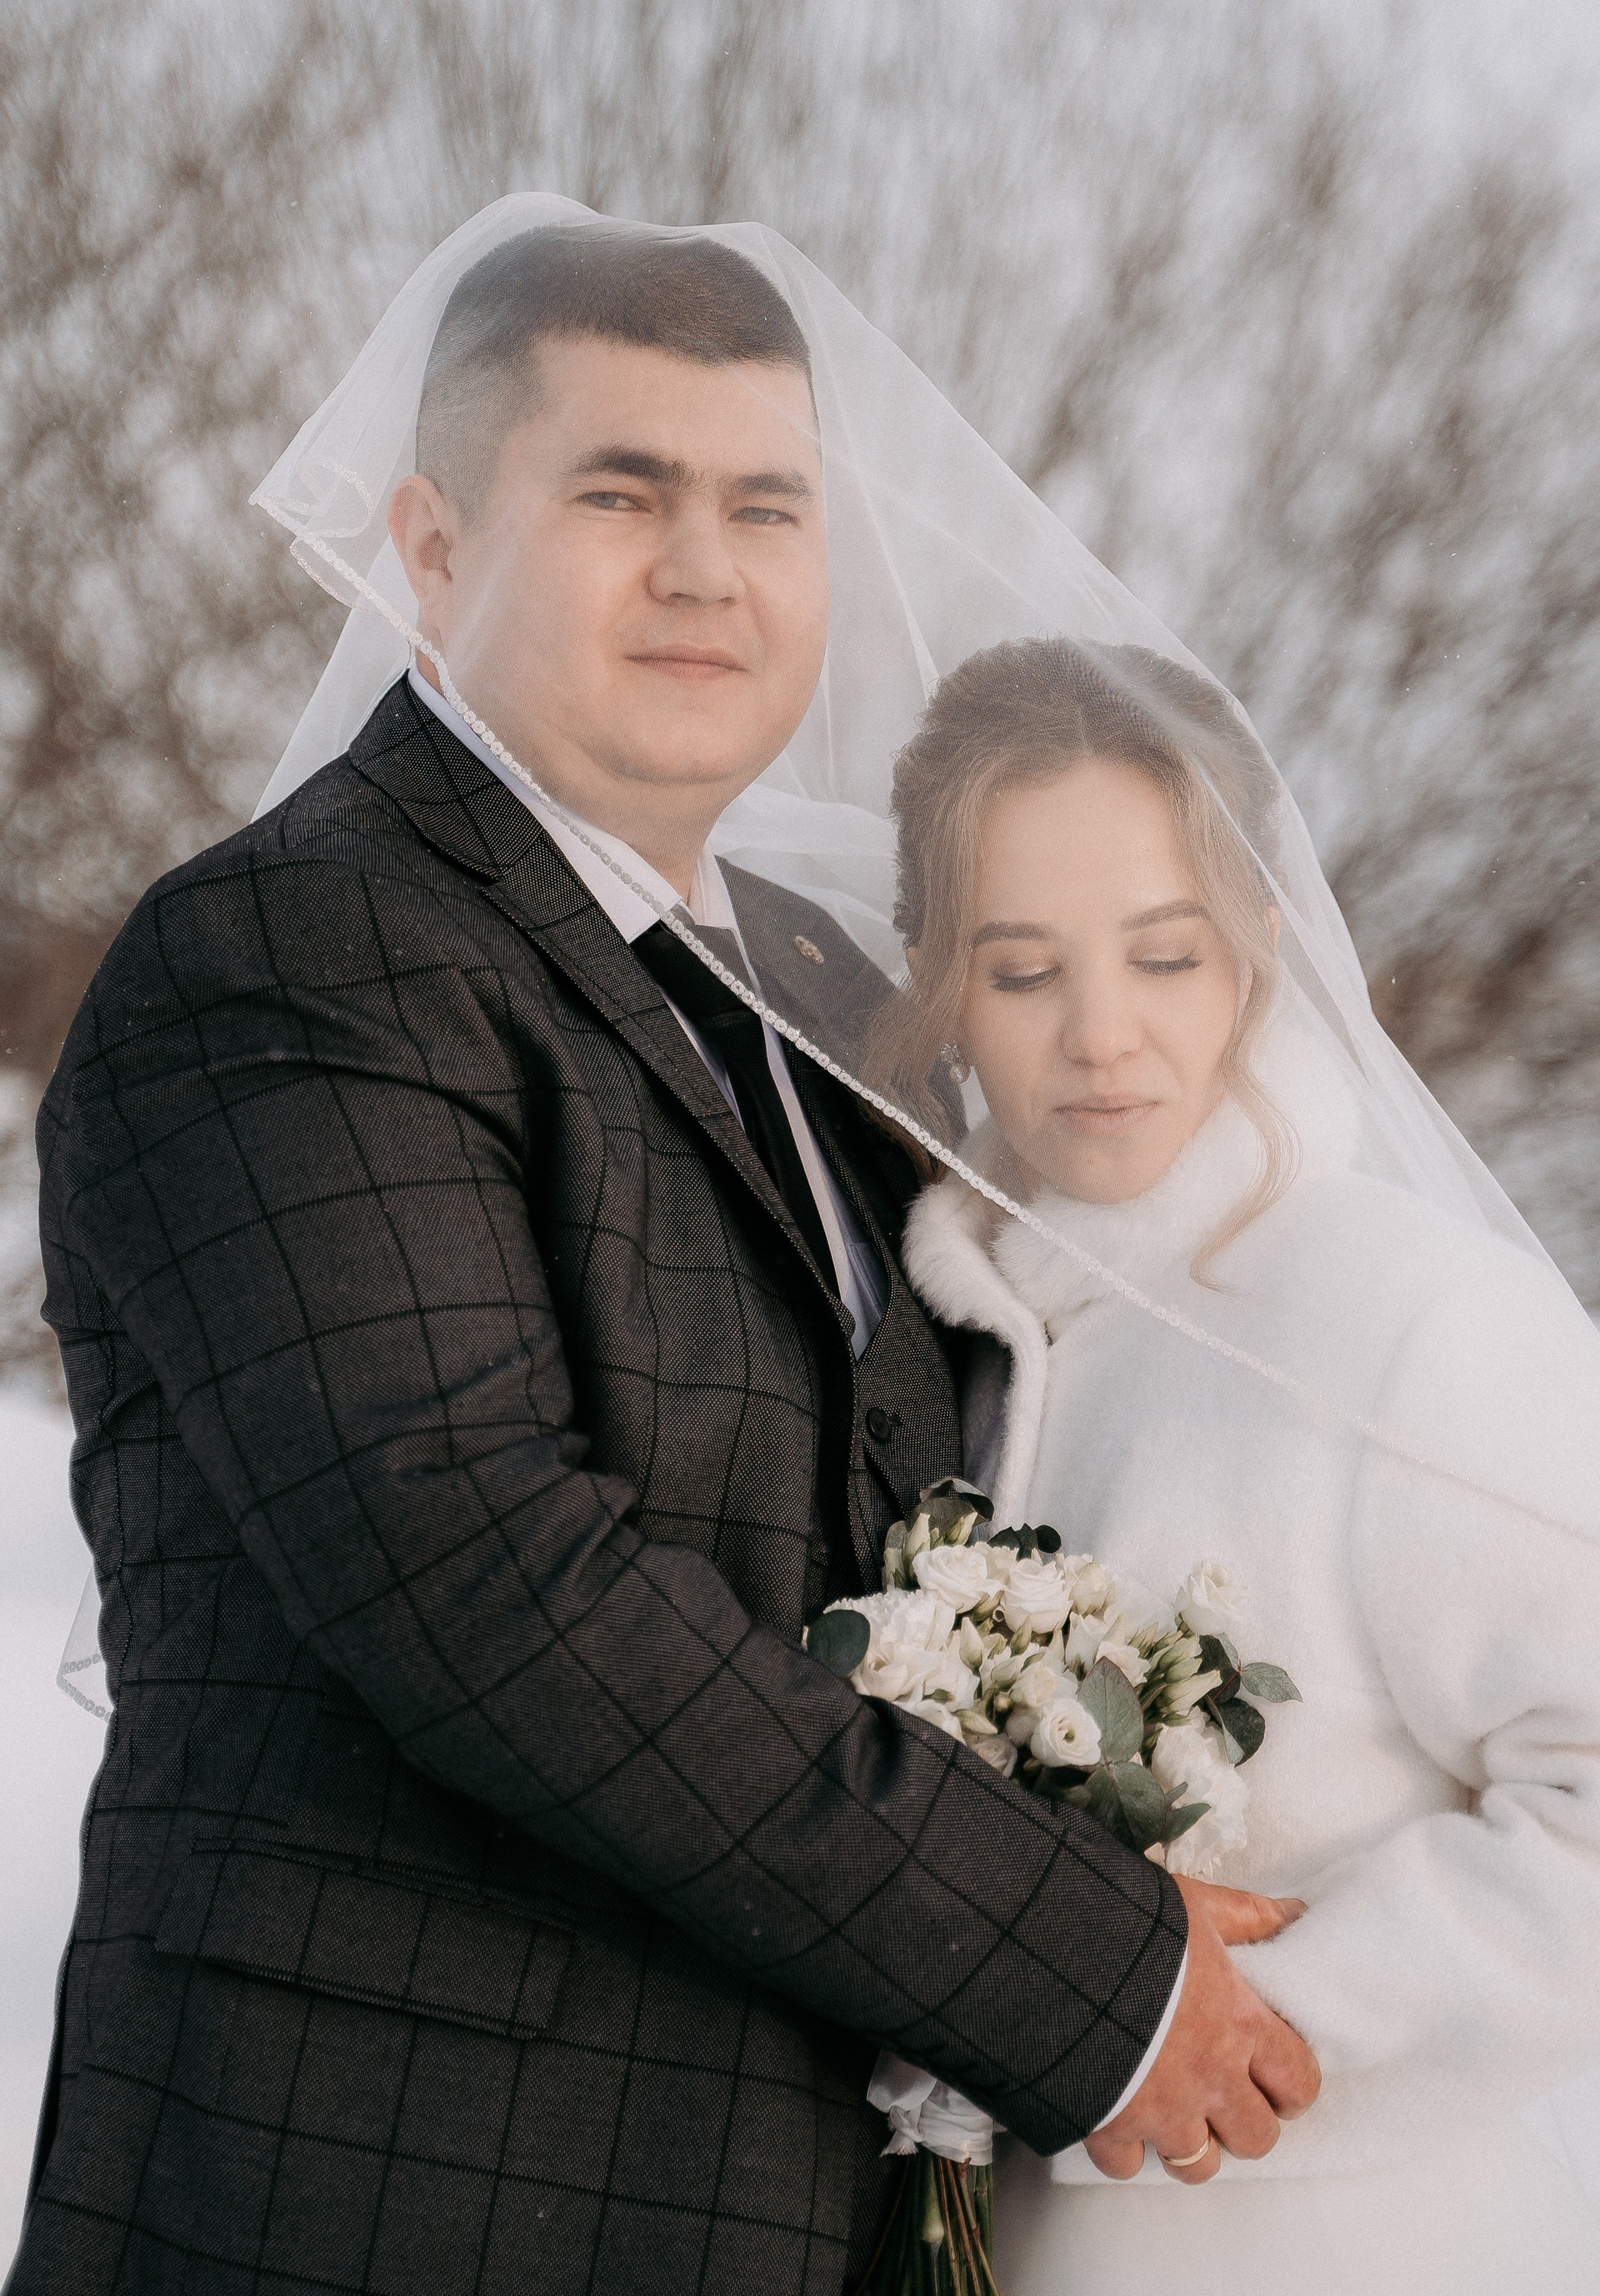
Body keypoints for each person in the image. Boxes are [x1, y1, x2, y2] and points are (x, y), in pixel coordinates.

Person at [10, 214, 1318, 2296]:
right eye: (620, 495)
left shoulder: (828, 993)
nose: (707, 569)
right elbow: (482, 1577)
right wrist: (1087, 1971)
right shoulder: (292, 950)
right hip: (381, 2207)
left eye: (765, 507)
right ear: (431, 548)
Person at [885, 634, 1600, 2292]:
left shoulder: (1409, 1313)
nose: (1102, 1034)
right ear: (937, 981)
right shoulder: (936, 1350)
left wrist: (1206, 2032)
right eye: (1023, 969)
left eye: (1164, 954)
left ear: (1261, 951)